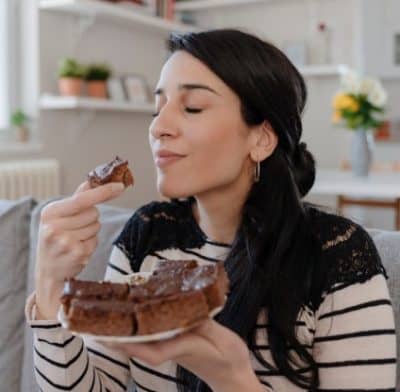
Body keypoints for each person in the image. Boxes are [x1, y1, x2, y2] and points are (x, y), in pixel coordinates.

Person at [26, 29, 396, 392]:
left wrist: (231, 380)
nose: (158, 127)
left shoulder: (337, 255)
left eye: (192, 107)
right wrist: (48, 284)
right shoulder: (147, 235)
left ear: (261, 138)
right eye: (158, 108)